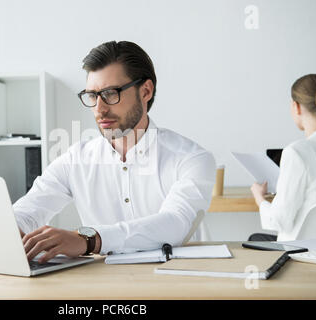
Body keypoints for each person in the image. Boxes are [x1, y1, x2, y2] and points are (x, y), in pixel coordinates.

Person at [13, 41, 216, 263]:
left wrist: (89, 239)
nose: (99, 109)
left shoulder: (191, 159)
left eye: (110, 93)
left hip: (177, 285)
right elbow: (28, 210)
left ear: (146, 91)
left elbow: (176, 223)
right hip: (104, 286)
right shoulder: (75, 159)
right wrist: (10, 229)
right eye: (92, 95)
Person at [250, 74, 316, 241]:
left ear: (296, 107)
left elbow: (279, 220)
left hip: (300, 254)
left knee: (254, 240)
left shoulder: (297, 152)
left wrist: (260, 199)